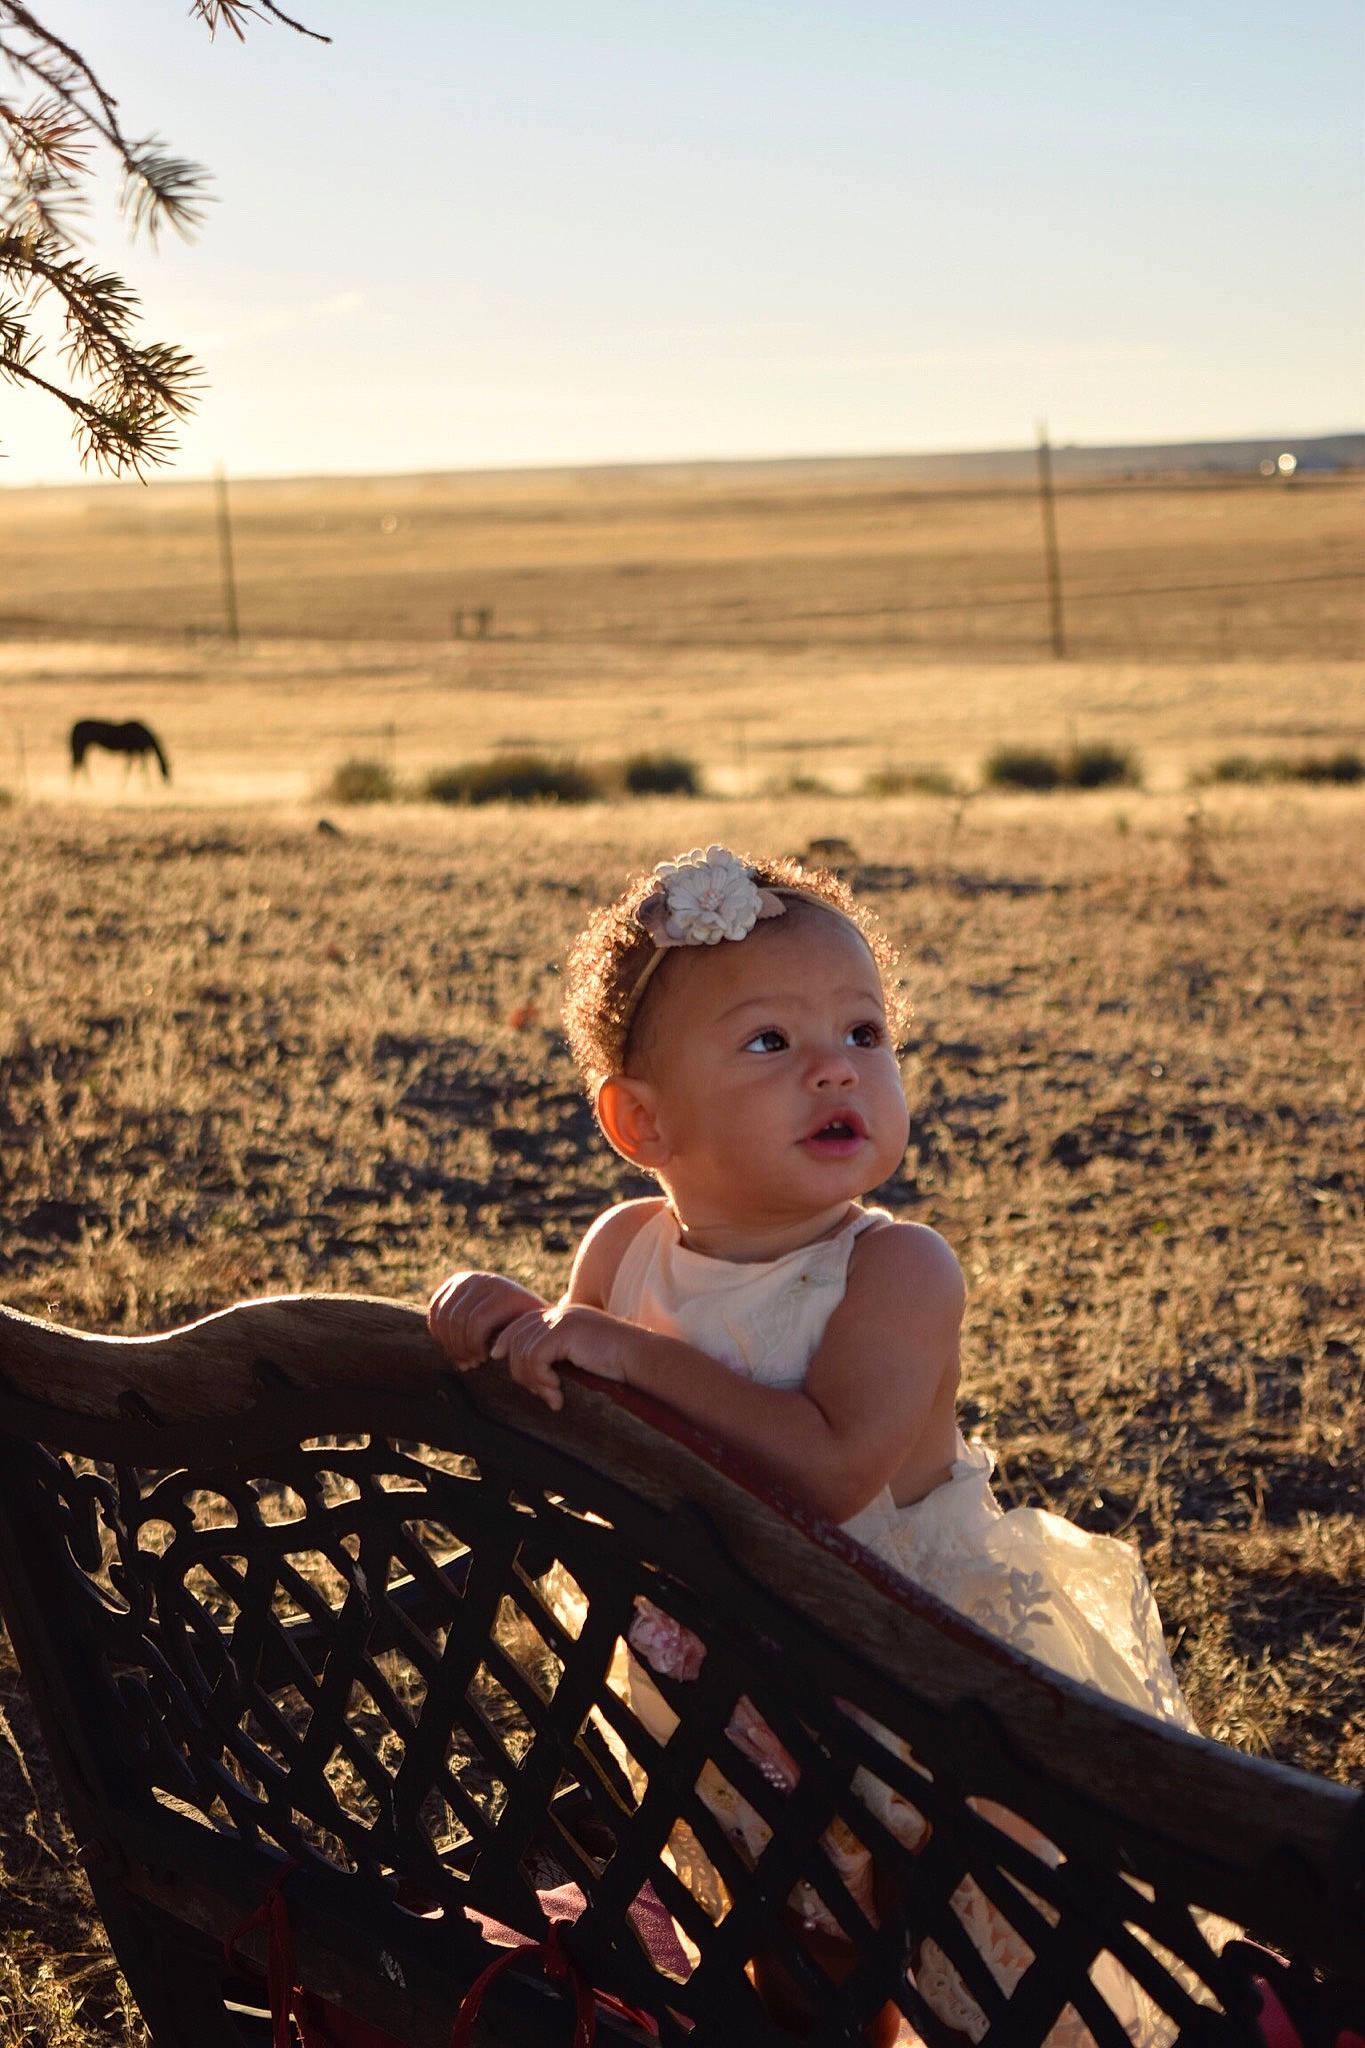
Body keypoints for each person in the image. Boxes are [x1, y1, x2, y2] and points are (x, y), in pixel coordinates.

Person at [429, 844, 1208, 2046]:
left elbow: (835, 1467)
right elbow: (568, 1424)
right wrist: (506, 1320)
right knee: (791, 1949)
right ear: (641, 1119)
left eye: (864, 1030)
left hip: (913, 1695)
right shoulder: (624, 1252)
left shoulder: (897, 1268)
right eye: (768, 1043)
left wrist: (624, 1353)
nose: (836, 1064)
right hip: (723, 1691)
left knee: (945, 1953)